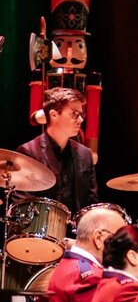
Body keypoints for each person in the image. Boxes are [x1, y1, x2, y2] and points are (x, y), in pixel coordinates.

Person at [17, 87, 99, 215]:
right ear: (54, 115)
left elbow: (91, 204)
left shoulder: (85, 154)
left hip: (76, 226)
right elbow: (23, 205)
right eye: (74, 114)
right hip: (42, 225)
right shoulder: (29, 152)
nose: (81, 120)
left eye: (81, 114)